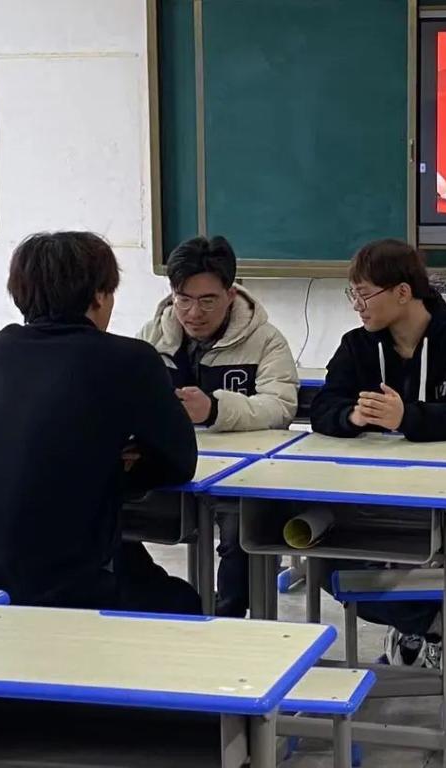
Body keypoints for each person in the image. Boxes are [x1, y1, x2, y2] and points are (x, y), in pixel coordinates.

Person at [0, 231, 200, 614]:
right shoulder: (130, 359)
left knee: (125, 558)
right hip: (51, 594)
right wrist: (118, 465)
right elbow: (180, 462)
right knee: (184, 605)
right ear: (99, 295)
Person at [310, 238, 446, 669]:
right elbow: (322, 408)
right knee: (326, 568)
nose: (357, 305)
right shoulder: (357, 346)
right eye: (352, 294)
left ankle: (437, 621)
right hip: (369, 492)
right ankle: (437, 624)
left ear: (402, 292)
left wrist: (408, 418)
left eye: (364, 294)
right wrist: (352, 416)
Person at [138, 235, 298, 617]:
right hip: (169, 466)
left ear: (230, 294)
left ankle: (229, 618)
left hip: (241, 473)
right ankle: (166, 612)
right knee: (107, 511)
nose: (194, 312)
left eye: (207, 300)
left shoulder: (266, 341)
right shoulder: (152, 338)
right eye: (183, 299)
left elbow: (280, 407)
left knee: (241, 531)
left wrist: (214, 410)